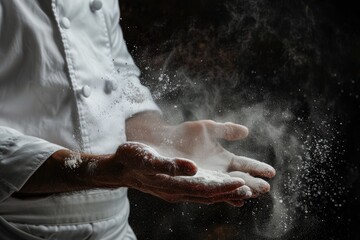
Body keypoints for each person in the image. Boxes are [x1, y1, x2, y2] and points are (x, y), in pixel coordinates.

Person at [0, 0, 275, 239]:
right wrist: (102, 170)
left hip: (115, 226)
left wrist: (162, 137)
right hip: (17, 224)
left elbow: (118, 73)